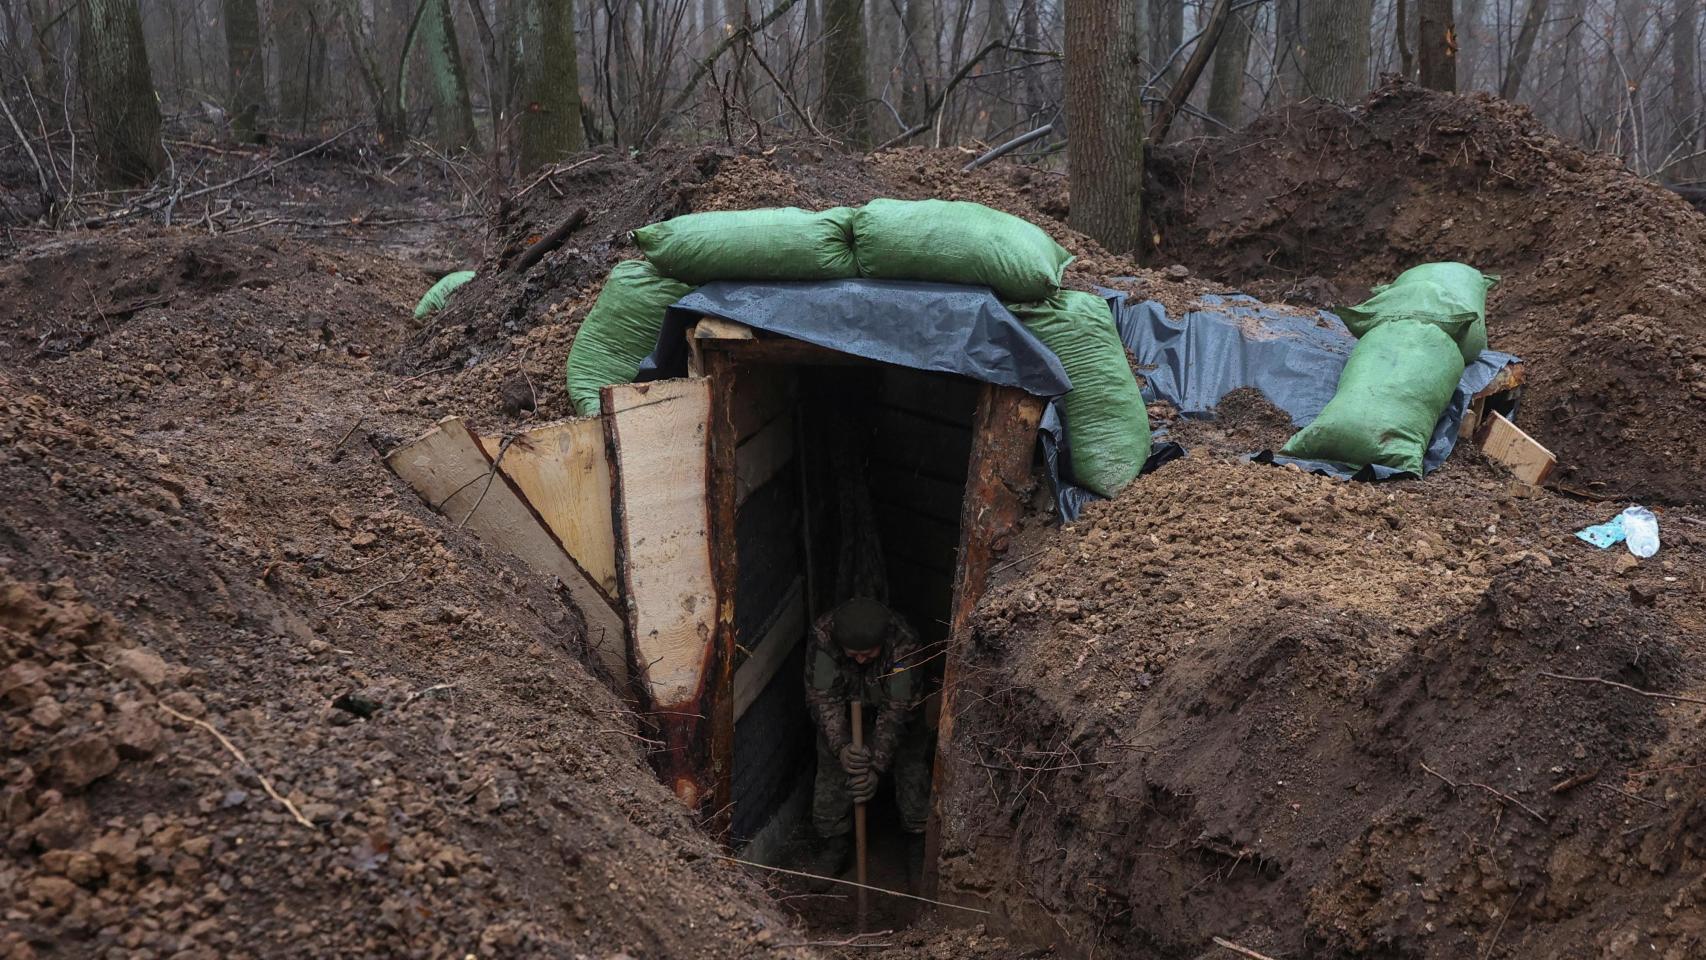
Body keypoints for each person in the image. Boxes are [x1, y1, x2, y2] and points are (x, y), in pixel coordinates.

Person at [803, 596, 932, 878]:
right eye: (853, 653)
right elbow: (823, 697)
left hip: (895, 710)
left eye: (868, 654)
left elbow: (899, 707)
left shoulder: (904, 641)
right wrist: (842, 747)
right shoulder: (824, 637)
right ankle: (833, 843)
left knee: (911, 766)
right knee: (830, 763)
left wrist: (875, 766)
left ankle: (918, 841)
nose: (860, 660)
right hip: (846, 708)